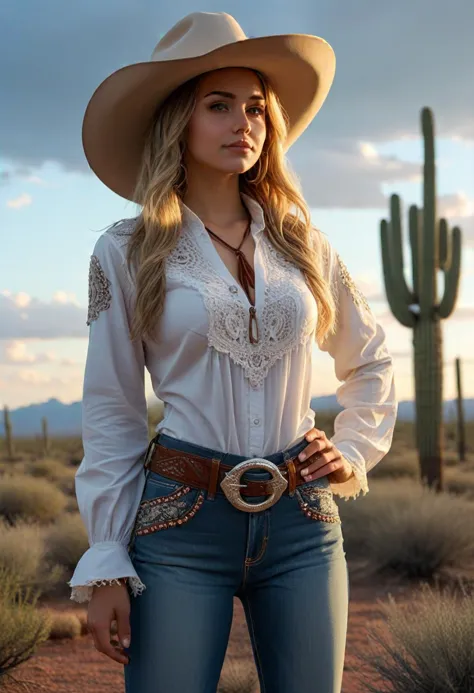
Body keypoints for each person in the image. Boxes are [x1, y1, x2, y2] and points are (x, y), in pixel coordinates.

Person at [68, 11, 397, 693]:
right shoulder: (126, 251)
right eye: (218, 105)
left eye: (254, 107)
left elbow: (369, 360)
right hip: (179, 522)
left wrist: (355, 448)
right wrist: (105, 559)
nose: (242, 122)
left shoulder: (302, 242)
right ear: (178, 121)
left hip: (305, 517)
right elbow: (112, 409)